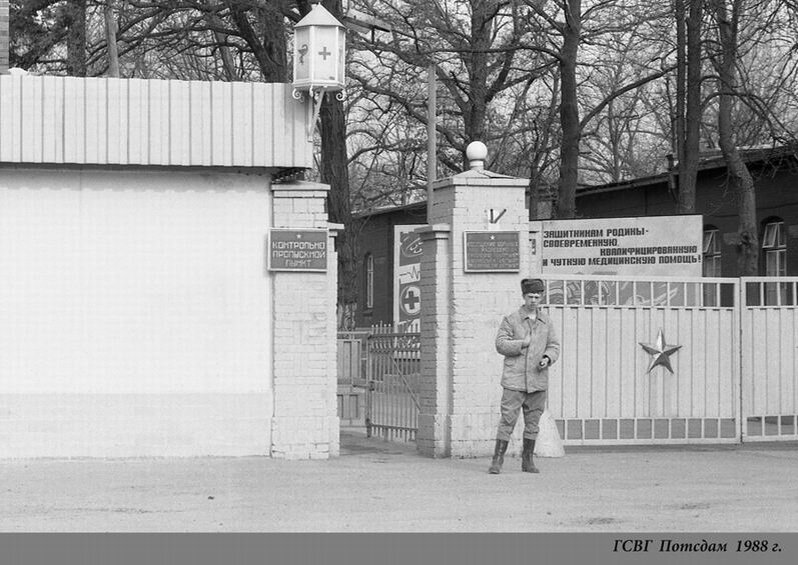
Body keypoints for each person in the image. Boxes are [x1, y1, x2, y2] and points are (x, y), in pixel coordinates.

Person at [489, 277, 560, 474]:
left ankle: (527, 460)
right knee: (507, 420)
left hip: (538, 381)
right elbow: (500, 344)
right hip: (514, 380)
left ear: (542, 297)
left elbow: (554, 345)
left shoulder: (546, 322)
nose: (534, 300)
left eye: (537, 296)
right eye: (530, 296)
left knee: (533, 422)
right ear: (523, 296)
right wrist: (522, 343)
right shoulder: (511, 320)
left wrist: (548, 357)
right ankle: (497, 460)